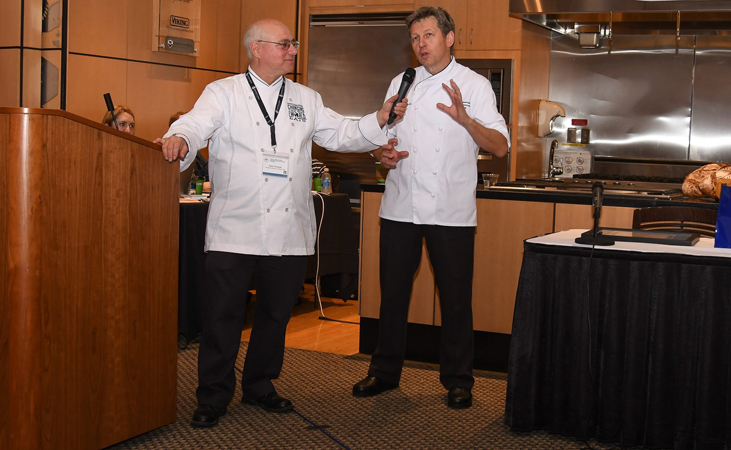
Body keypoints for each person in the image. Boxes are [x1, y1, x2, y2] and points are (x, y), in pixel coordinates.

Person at [155, 18, 406, 428]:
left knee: (275, 315)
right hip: (234, 228)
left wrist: (377, 119)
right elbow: (194, 123)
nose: (293, 50)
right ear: (256, 48)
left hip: (289, 230)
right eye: (285, 43)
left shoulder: (305, 98)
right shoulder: (223, 92)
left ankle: (259, 385)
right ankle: (214, 395)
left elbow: (341, 133)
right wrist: (180, 137)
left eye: (294, 43)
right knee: (223, 317)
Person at [352, 6, 510, 409]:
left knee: (455, 298)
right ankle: (384, 372)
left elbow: (500, 146)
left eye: (429, 36)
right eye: (415, 38)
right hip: (401, 205)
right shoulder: (402, 81)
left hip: (450, 210)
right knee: (393, 294)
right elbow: (383, 138)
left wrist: (465, 120)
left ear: (450, 37)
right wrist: (382, 156)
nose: (421, 44)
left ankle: (459, 379)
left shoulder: (473, 85)